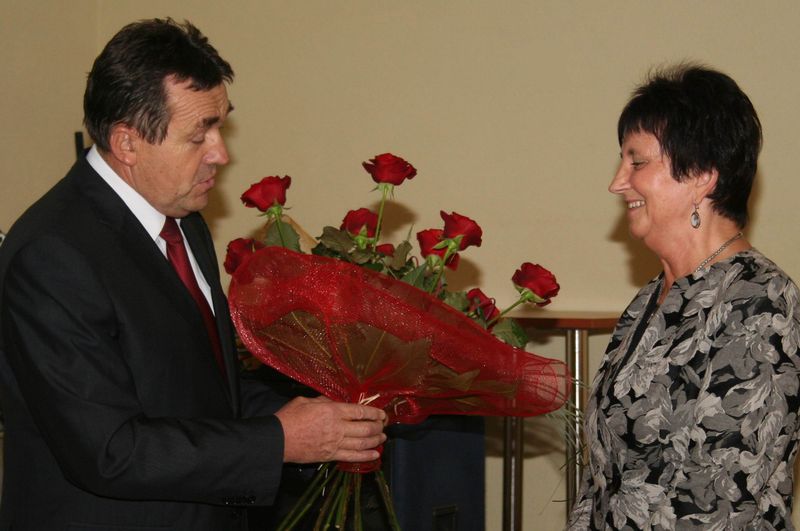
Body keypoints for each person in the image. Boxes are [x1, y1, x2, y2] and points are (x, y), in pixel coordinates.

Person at [0, 18, 386, 530]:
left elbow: (203, 389)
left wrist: (320, 420)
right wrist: (281, 439)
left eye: (220, 125)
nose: (221, 153)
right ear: (127, 143)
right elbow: (110, 451)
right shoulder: (52, 255)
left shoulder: (181, 219)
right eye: (199, 134)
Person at [568, 65, 800, 530]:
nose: (617, 182)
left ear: (701, 176)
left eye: (637, 162)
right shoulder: (649, 299)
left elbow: (721, 502)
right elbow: (603, 482)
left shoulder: (759, 301)